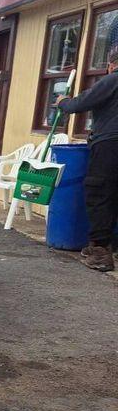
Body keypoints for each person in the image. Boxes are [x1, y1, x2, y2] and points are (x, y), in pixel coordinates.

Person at [56, 45, 118, 272]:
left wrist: (63, 101)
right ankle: (106, 246)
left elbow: (79, 104)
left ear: (111, 65)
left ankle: (101, 252)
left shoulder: (112, 80)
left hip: (110, 146)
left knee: (101, 194)